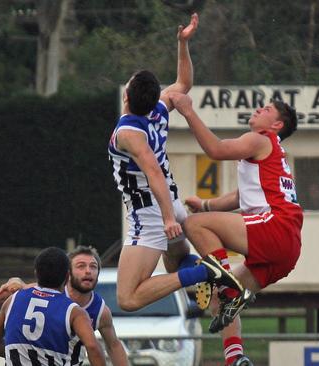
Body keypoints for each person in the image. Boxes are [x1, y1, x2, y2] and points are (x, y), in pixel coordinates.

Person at [107, 13, 241, 313]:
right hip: (171, 202)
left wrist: (168, 219)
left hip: (151, 211)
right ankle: (206, 273)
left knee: (128, 299)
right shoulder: (158, 109)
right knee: (175, 262)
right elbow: (184, 82)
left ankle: (206, 272)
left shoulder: (129, 132)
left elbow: (152, 171)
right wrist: (182, 44)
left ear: (126, 96)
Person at [169, 92, 301, 366]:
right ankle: (235, 358)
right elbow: (242, 196)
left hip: (275, 227)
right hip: (286, 247)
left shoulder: (259, 138)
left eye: (265, 109)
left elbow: (216, 150)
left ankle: (222, 276)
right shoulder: (273, 153)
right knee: (221, 299)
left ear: (276, 125)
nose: (258, 109)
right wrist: (206, 204)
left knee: (193, 226)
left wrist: (188, 112)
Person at [0, 247, 106, 366]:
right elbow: (92, 347)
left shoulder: (13, 299)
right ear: (68, 276)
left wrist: (22, 356)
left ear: (36, 273)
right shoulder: (74, 311)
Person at [65, 246, 127, 366]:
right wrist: (18, 282)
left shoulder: (101, 311)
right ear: (68, 273)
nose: (88, 271)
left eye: (93, 267)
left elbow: (114, 346)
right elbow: (27, 287)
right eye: (81, 266)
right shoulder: (53, 294)